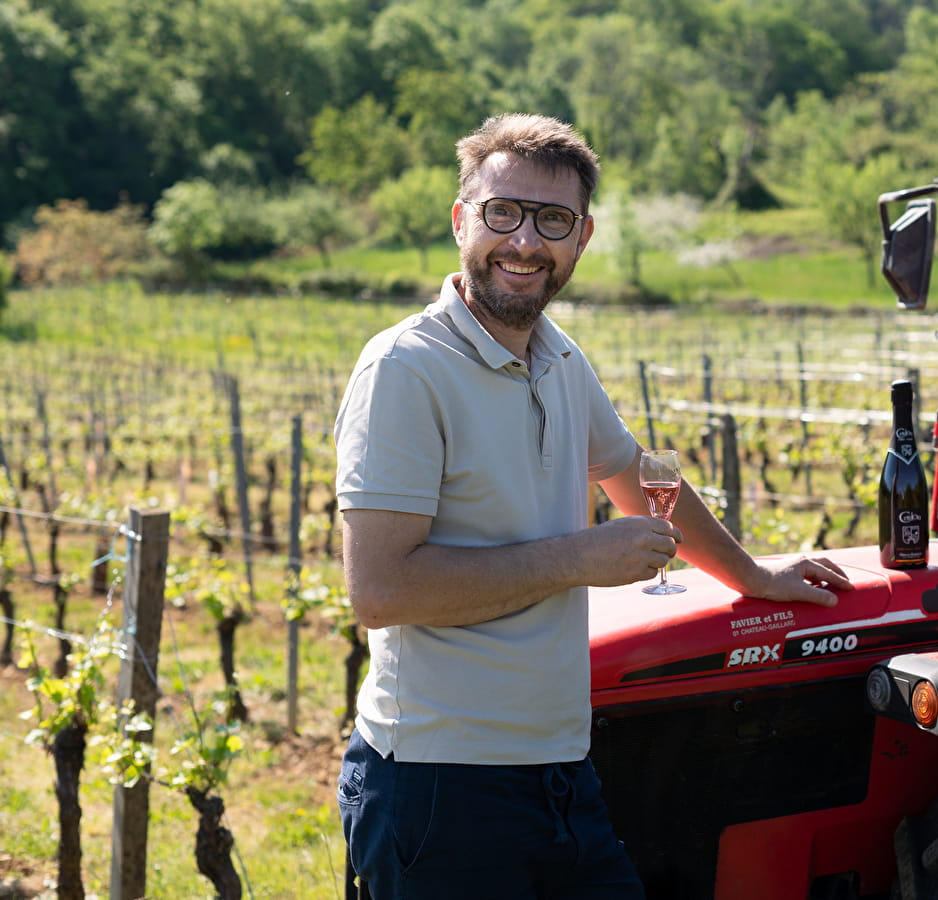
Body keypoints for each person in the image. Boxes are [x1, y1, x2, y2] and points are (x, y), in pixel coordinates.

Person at [333, 112, 851, 899]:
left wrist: (751, 575)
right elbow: (380, 592)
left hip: (559, 770)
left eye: (553, 220)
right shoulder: (406, 368)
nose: (524, 242)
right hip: (441, 785)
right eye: (502, 212)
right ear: (460, 219)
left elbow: (639, 477)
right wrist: (580, 559)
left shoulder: (559, 357)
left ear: (582, 237)